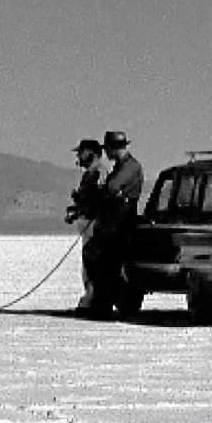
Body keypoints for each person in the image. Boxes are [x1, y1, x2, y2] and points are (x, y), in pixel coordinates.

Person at [87, 129, 145, 317]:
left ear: (114, 148)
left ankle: (105, 305)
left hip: (119, 224)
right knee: (101, 263)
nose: (106, 154)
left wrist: (106, 190)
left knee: (107, 264)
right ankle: (102, 303)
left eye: (108, 149)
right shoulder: (122, 166)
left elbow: (112, 187)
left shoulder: (130, 166)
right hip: (111, 222)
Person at [66, 137, 109, 311]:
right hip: (86, 223)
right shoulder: (90, 174)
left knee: (93, 264)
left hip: (93, 224)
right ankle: (91, 297)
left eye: (81, 153)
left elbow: (99, 198)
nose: (79, 157)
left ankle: (94, 299)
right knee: (88, 263)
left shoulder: (100, 173)